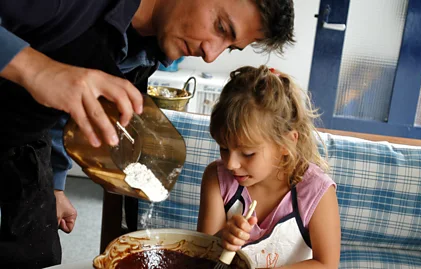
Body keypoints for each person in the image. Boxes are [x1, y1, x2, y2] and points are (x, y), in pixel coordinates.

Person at [0, 1, 295, 268]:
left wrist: (55, 184)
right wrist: (38, 70)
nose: (211, 54)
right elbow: (54, 78)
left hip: (24, 141)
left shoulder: (143, 52)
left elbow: (68, 104)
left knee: (32, 251)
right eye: (221, 27)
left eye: (230, 47)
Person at [197, 65, 341, 268]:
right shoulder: (217, 179)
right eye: (224, 148)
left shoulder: (317, 192)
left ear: (286, 144)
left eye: (247, 153)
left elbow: (327, 265)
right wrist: (222, 237)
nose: (231, 163)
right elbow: (202, 253)